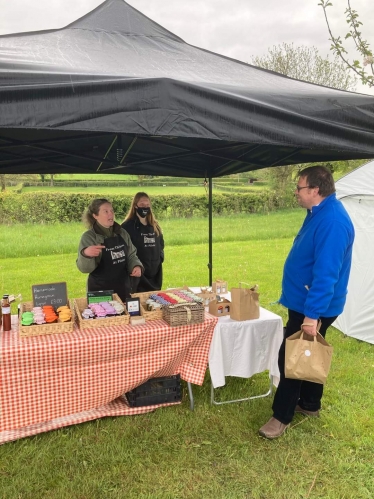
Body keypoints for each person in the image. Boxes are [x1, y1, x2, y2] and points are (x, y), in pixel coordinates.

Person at [259, 165, 355, 439]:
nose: (296, 192)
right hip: (306, 302)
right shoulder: (318, 213)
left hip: (313, 306)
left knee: (292, 356)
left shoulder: (332, 222)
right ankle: (310, 404)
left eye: (299, 187)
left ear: (315, 190)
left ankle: (281, 417)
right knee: (309, 350)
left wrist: (312, 316)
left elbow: (326, 274)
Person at [76, 198, 143, 302]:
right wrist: (86, 254)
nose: (110, 214)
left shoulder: (122, 233)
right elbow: (85, 269)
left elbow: (131, 255)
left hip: (123, 288)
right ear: (95, 216)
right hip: (100, 292)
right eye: (106, 211)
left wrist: (136, 266)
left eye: (112, 211)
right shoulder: (89, 237)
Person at [121, 192, 164, 292]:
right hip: (137, 275)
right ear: (135, 205)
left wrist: (160, 258)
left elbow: (161, 245)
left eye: (147, 205)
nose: (145, 207)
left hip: (155, 274)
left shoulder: (155, 225)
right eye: (142, 205)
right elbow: (124, 249)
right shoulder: (126, 226)